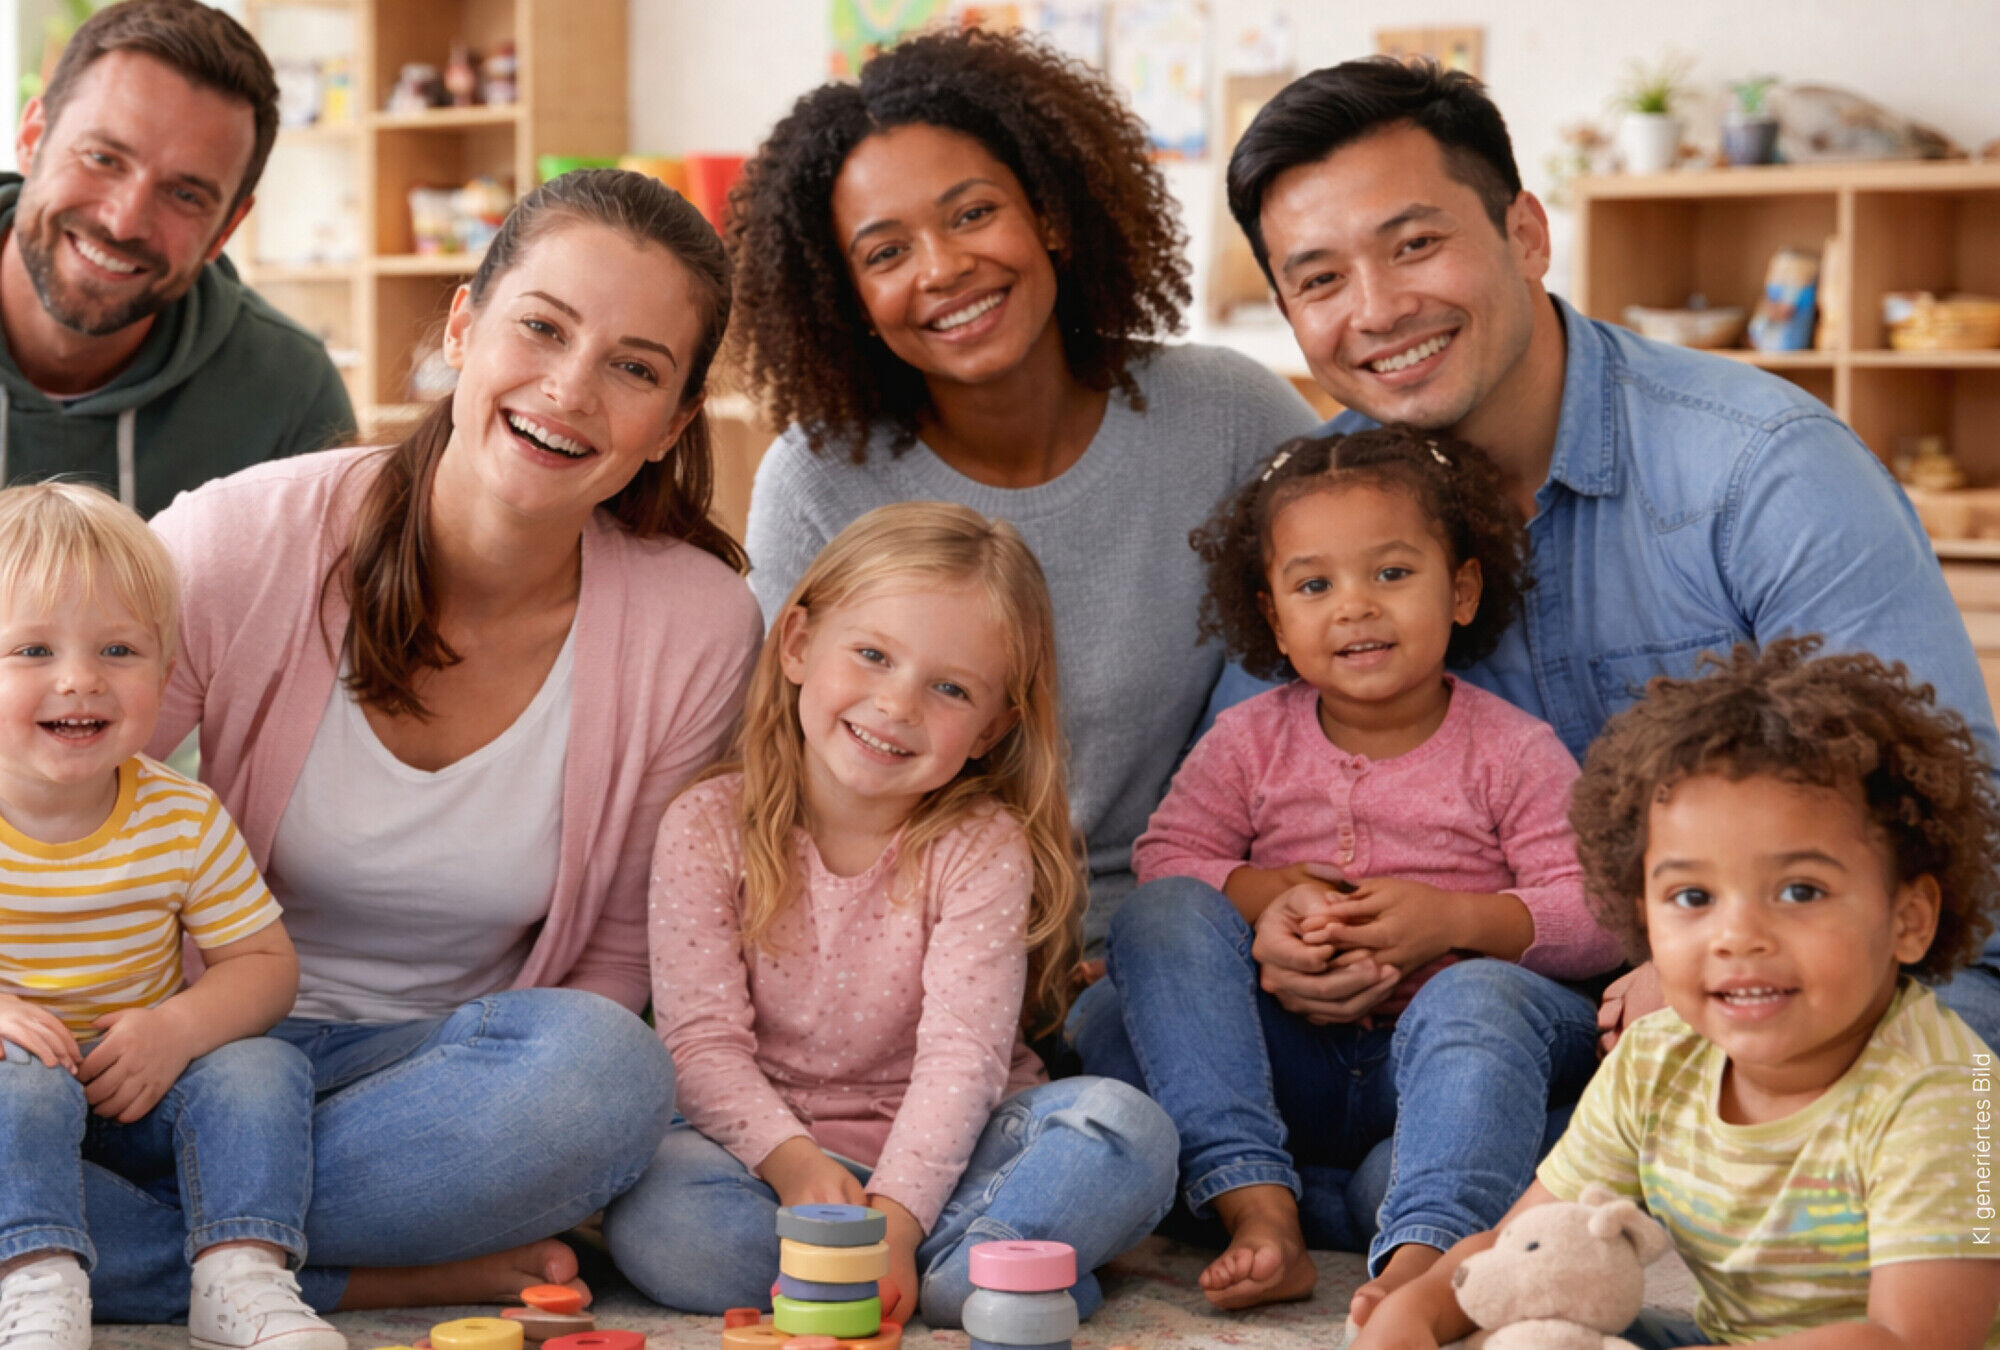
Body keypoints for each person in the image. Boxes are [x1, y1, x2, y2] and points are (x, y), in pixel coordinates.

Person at [70, 169, 763, 1322]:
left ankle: (119, 1235)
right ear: (461, 326)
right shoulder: (243, 539)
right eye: (541, 327)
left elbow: (619, 954)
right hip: (187, 1056)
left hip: (439, 1083)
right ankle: (350, 1272)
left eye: (634, 368)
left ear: (673, 424)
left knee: (608, 1074)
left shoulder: (695, 625)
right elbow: (47, 781)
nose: (569, 390)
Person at [1219, 56, 2000, 1049]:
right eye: (1319, 279)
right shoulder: (1318, 506)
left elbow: (1948, 832)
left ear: (1525, 236)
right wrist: (1278, 921)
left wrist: (1705, 965)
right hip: (1498, 1019)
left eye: (1413, 244)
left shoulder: (1763, 469)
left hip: (1797, 990)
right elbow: (1245, 776)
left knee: (1944, 1066)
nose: (1373, 311)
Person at [733, 28, 1319, 947]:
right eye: (885, 254)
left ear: (1049, 214)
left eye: (971, 214)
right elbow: (792, 779)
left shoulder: (1231, 417)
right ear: (848, 299)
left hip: (1197, 931)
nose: (942, 267)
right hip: (919, 954)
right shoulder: (816, 480)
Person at [605, 502, 1177, 1328]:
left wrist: (900, 1221)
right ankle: (992, 1278)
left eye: (950, 689)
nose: (898, 705)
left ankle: (928, 1269)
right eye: (872, 655)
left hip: (962, 1153)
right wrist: (797, 1168)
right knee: (661, 1214)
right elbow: (699, 1043)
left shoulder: (980, 843)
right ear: (799, 644)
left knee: (1127, 1130)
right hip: (771, 1160)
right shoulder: (706, 824)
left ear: (992, 729)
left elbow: (963, 1061)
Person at [1089, 428, 1620, 1316]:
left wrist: (1451, 923)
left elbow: (1597, 912)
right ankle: (1262, 1204)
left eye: (1392, 574)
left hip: (1442, 1077)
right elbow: (1167, 864)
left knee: (1471, 1012)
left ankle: (1424, 1250)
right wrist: (1271, 902)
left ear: (1461, 590)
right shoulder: (1249, 743)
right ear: (1275, 619)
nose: (1355, 608)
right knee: (1119, 997)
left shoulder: (1510, 750)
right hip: (1290, 1068)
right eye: (1315, 585)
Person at [1354, 638, 2000, 1350]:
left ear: (1908, 919)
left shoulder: (1953, 1094)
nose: (1738, 935)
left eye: (1799, 891)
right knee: (1523, 1331)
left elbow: (1912, 1341)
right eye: (1693, 895)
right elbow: (1524, 1248)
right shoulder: (1659, 1059)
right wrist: (1413, 1315)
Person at [0, 483, 342, 1350]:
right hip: (14, 1118)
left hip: (141, 1103)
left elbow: (265, 966)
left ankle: (239, 1273)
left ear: (166, 669)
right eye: (33, 649)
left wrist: (176, 1029)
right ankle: (35, 1279)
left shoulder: (180, 816)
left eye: (120, 648)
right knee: (14, 1084)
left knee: (262, 1068)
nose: (80, 678)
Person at [0, 0, 353, 517]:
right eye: (102, 158)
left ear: (226, 228)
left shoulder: (291, 395)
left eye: (185, 195)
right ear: (32, 138)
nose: (124, 221)